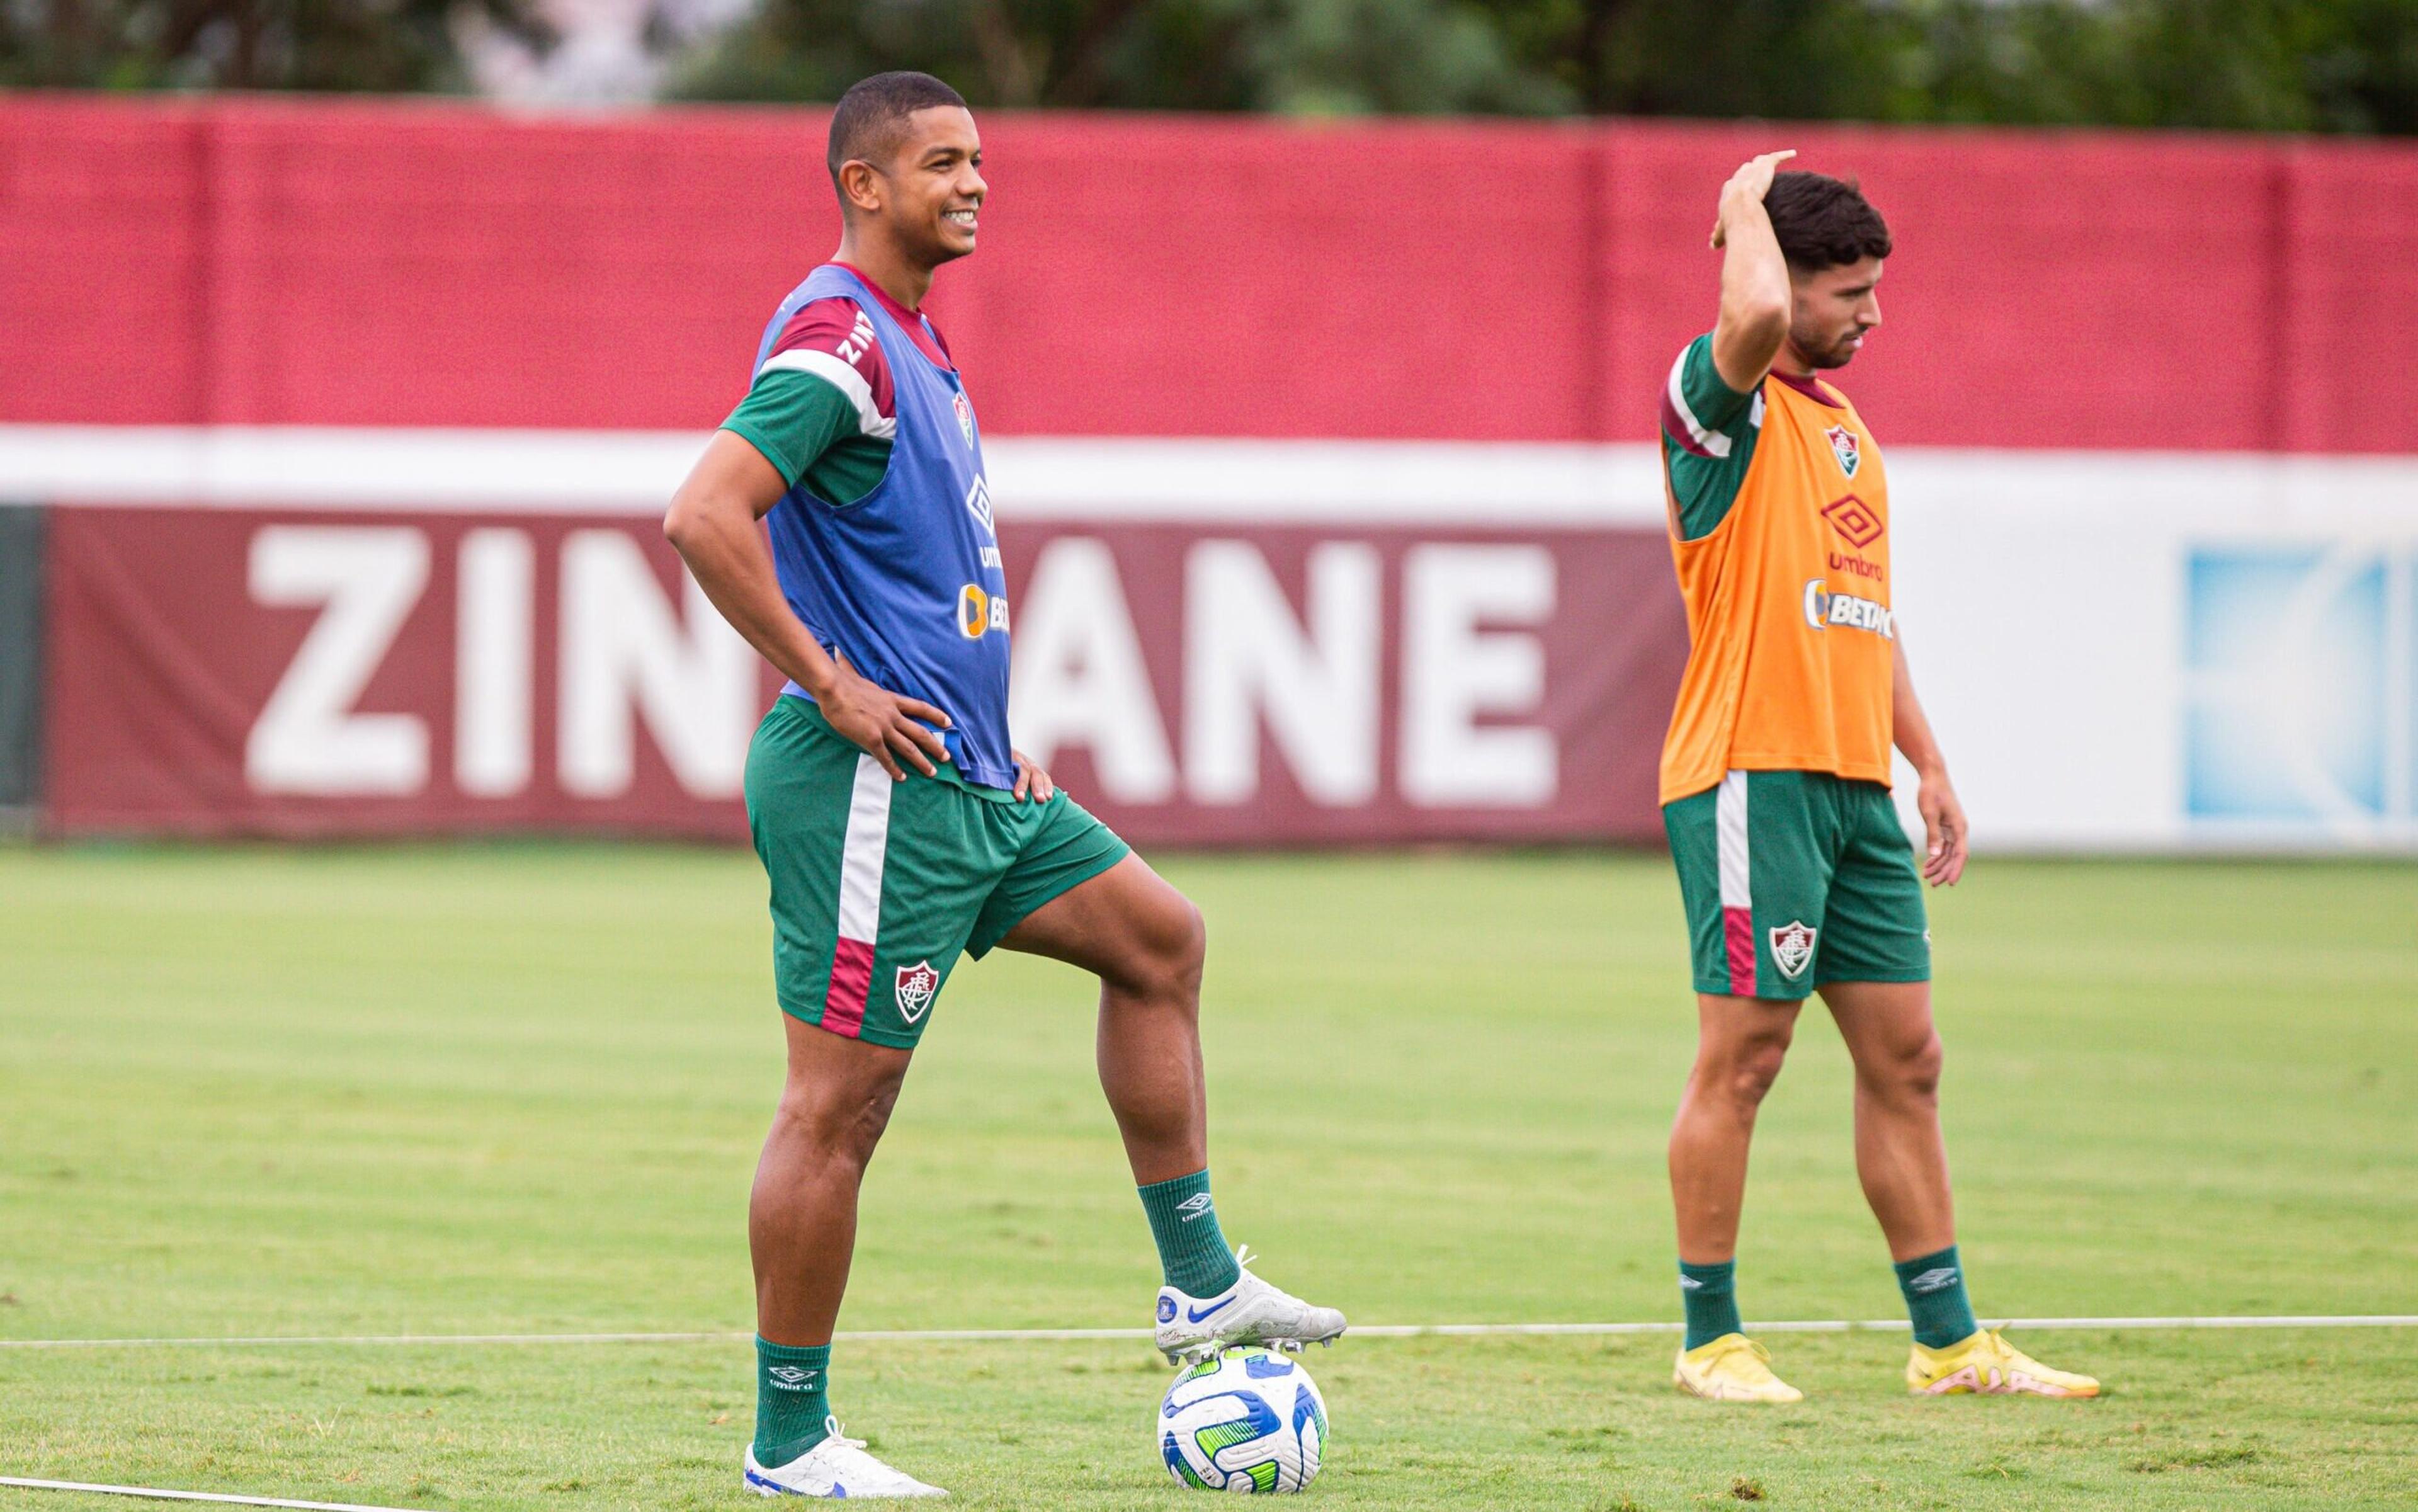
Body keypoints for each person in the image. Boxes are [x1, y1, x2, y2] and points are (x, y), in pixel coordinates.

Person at [664, 71, 1346, 1500]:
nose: (976, 183)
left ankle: (1201, 1286)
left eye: (980, 161)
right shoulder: (844, 333)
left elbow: (907, 569)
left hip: (973, 776)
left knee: (1160, 942)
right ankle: (789, 1442)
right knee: (837, 1109)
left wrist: (988, 718)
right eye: (941, 163)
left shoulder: (920, 342)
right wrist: (834, 685)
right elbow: (705, 510)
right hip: (871, 789)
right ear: (864, 184)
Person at [1654, 152, 2098, 1403]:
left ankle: (1950, 1343)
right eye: (1848, 289)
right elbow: (1743, 316)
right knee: (1743, 1060)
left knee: (1909, 1060)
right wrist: (1740, 207)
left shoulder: (1844, 426)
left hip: (1853, 787)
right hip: (1753, 775)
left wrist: (1930, 760)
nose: (1874, 312)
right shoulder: (1716, 398)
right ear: (1778, 280)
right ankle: (1710, 1342)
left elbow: (1864, 610)